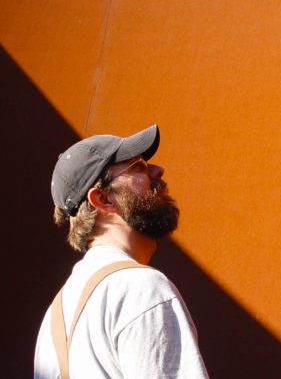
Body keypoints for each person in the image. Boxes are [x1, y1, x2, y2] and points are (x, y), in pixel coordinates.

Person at [34, 124, 209, 378]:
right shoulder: (140, 288)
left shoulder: (54, 318)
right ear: (103, 199)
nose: (157, 170)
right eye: (138, 166)